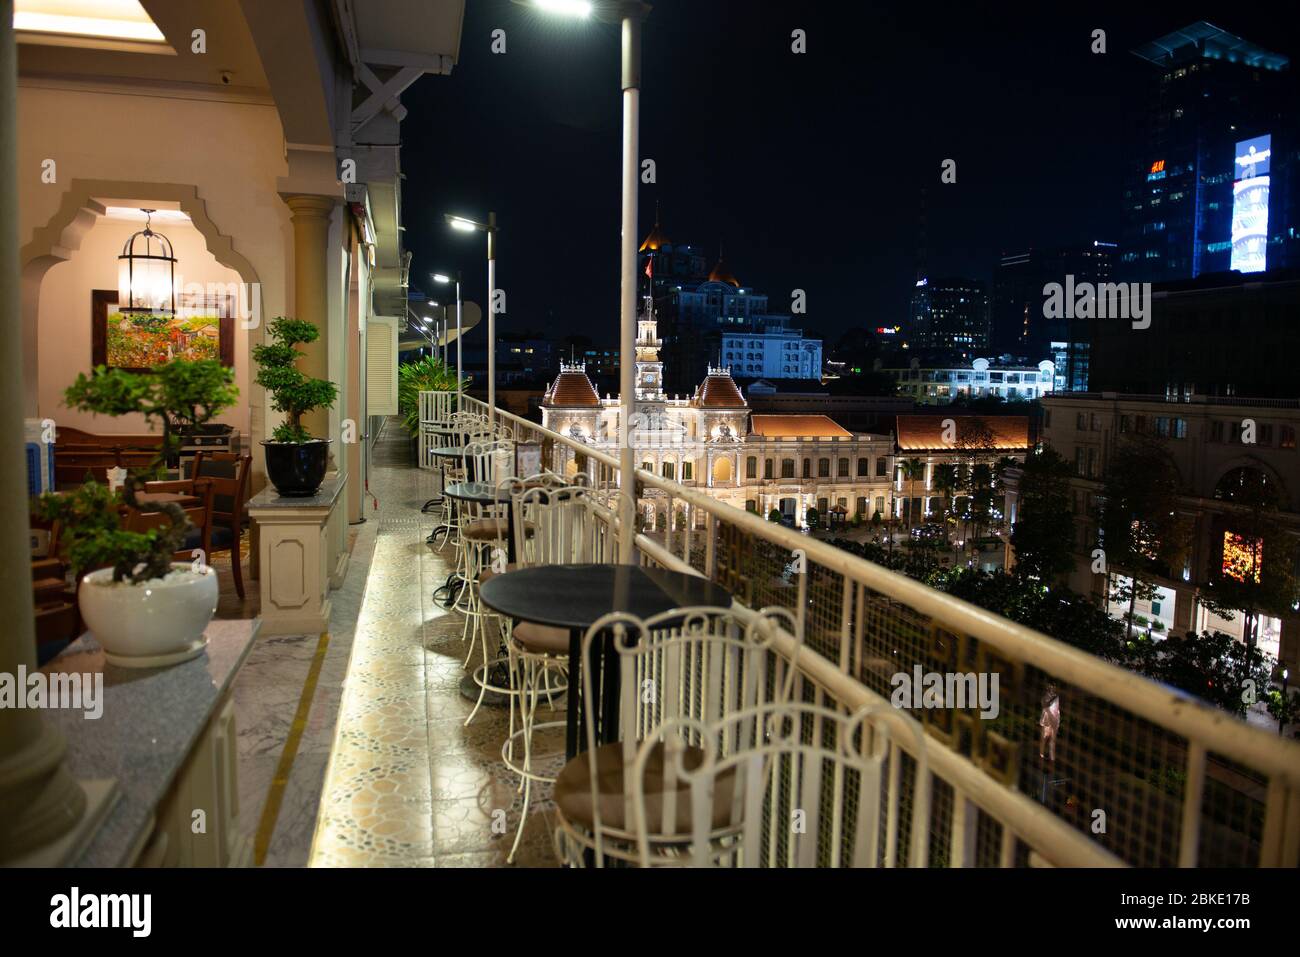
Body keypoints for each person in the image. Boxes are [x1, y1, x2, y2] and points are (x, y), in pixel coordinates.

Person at [1039, 684, 1060, 763]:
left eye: (1053, 687)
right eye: (1050, 687)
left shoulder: (1056, 697)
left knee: (1052, 741)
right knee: (1044, 739)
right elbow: (1045, 705)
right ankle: (1041, 756)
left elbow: (1056, 710)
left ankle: (1052, 759)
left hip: (1054, 721)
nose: (1052, 688)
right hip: (1046, 721)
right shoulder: (1045, 697)